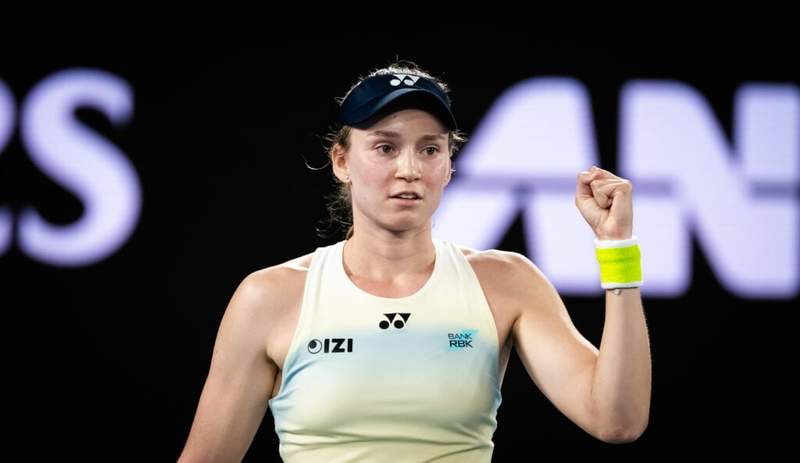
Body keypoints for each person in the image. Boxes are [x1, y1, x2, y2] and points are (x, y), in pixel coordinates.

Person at [178, 61, 651, 462]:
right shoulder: (269, 297)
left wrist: (618, 249)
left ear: (448, 165)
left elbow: (617, 420)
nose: (409, 169)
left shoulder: (506, 282)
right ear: (341, 161)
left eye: (429, 149)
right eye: (385, 147)